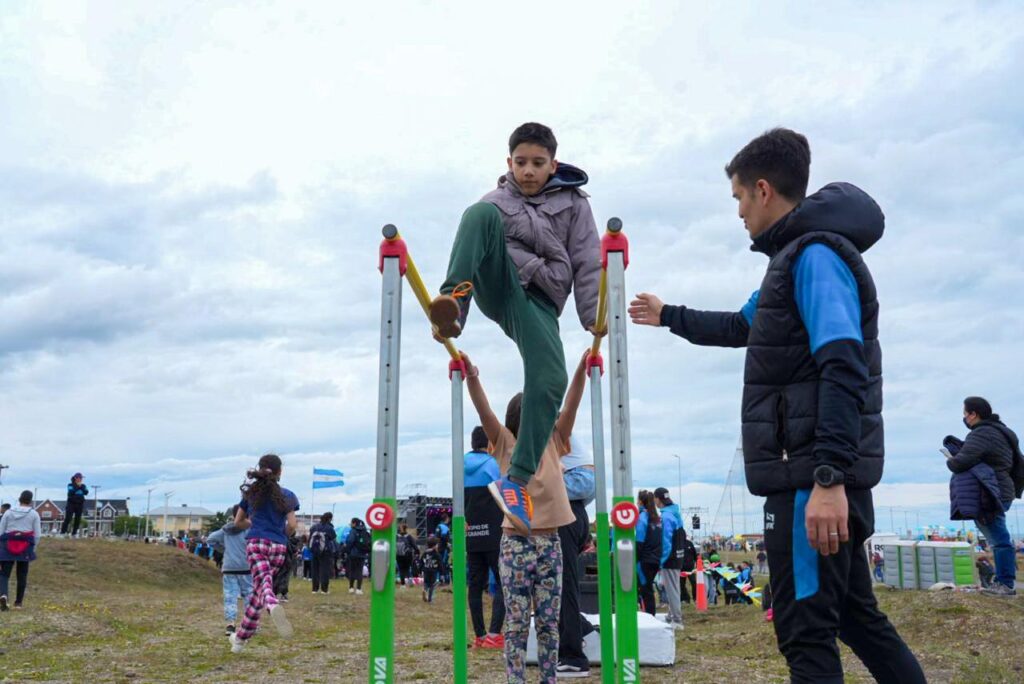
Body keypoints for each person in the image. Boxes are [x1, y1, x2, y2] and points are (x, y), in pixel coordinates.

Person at [629, 128, 925, 683]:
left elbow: (844, 364)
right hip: (813, 477)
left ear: (763, 190)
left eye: (739, 198)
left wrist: (829, 477)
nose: (739, 213)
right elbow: (740, 326)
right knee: (857, 619)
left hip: (810, 482)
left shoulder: (816, 257)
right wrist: (669, 315)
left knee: (804, 631)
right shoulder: (789, 262)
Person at [428, 122, 602, 536]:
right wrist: (455, 304)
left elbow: (587, 258)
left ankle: (517, 479)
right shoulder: (496, 202)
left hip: (541, 299)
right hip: (501, 283)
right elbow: (478, 237)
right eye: (520, 162)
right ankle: (453, 305)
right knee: (478, 214)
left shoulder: (575, 204)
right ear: (509, 163)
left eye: (537, 163)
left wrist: (593, 314)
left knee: (551, 378)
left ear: (553, 165)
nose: (528, 171)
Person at [463, 349, 583, 683]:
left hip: (550, 542)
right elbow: (483, 410)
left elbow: (571, 405)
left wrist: (580, 372)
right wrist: (472, 377)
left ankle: (548, 679)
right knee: (516, 624)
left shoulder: (554, 439)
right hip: (516, 543)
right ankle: (516, 679)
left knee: (549, 623)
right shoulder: (504, 442)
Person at [944, 396, 1021, 596]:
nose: (964, 418)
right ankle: (1003, 582)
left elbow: (960, 462)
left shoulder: (981, 433)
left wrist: (950, 459)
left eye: (965, 413)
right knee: (998, 538)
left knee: (999, 540)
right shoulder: (1002, 432)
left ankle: (1005, 584)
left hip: (990, 491)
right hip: (1003, 489)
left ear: (973, 414)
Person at [229, 454, 299, 653]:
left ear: (260, 469)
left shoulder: (251, 493)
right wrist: (281, 533)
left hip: (256, 543)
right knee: (257, 594)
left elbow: (238, 522)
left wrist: (254, 524)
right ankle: (239, 640)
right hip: (278, 547)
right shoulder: (288, 495)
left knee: (263, 586)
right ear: (280, 471)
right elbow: (292, 525)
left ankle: (272, 603)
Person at [558, 434, 597, 676]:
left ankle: (573, 655)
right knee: (562, 583)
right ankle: (580, 630)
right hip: (578, 508)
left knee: (563, 585)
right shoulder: (562, 436)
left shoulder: (545, 432)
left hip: (567, 512)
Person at [464, 425, 506, 648]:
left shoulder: (460, 464)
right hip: (494, 534)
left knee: (474, 585)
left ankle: (479, 636)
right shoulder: (494, 464)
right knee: (502, 582)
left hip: (471, 534)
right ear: (489, 443)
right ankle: (494, 634)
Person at [207, 505, 252, 636]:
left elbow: (210, 539)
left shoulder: (226, 530)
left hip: (229, 567)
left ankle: (230, 624)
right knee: (249, 595)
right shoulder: (250, 529)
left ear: (233, 515)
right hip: (246, 567)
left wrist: (224, 549)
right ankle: (249, 624)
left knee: (230, 596)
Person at [0, 490, 42, 610]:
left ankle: (3, 594)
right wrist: (33, 547)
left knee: (4, 574)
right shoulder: (34, 514)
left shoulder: (8, 513)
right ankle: (18, 603)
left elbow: (1, 531)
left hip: (8, 544)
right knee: (22, 574)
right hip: (25, 546)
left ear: (19, 499)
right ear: (30, 501)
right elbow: (37, 534)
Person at [653, 487, 685, 629]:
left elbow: (666, 542)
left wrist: (661, 560)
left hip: (670, 558)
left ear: (658, 499)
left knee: (672, 590)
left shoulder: (666, 517)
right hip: (678, 555)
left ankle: (677, 620)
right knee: (674, 587)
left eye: (655, 498)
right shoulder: (675, 513)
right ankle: (671, 615)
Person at [636, 490, 663, 617]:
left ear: (641, 502)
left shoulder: (642, 518)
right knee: (648, 589)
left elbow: (639, 541)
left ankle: (649, 616)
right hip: (656, 559)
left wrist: (635, 558)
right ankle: (650, 615)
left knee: (645, 590)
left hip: (644, 560)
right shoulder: (657, 519)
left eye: (637, 500)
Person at [309, 512, 338, 595]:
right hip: (325, 551)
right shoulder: (329, 528)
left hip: (315, 550)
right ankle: (324, 589)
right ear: (330, 519)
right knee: (324, 570)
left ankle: (314, 589)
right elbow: (333, 537)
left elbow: (310, 537)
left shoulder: (314, 527)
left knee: (315, 570)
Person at [345, 517, 371, 594]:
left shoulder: (353, 531)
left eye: (351, 523)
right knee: (359, 571)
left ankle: (351, 587)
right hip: (362, 554)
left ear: (354, 523)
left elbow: (350, 541)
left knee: (352, 570)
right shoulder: (364, 531)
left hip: (353, 553)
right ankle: (359, 589)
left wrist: (348, 550)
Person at [61, 473, 88, 537]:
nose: (81, 479)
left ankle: (74, 533)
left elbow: (86, 492)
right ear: (76, 478)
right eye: (79, 478)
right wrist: (78, 486)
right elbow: (71, 492)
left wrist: (81, 487)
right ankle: (63, 532)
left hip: (80, 504)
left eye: (81, 478)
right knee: (68, 518)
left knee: (77, 519)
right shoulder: (70, 485)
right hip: (71, 503)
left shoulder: (83, 485)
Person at [396, 523, 419, 589]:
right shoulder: (409, 537)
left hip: (399, 555)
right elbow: (415, 546)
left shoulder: (396, 536)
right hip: (408, 555)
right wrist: (417, 553)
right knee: (408, 568)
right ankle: (410, 582)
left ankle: (402, 584)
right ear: (406, 529)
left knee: (401, 569)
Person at [421, 536, 442, 603]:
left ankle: (425, 590)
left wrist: (420, 569)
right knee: (432, 585)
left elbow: (421, 561)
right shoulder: (437, 554)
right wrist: (442, 572)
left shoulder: (425, 553)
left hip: (426, 570)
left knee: (426, 583)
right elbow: (440, 564)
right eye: (437, 544)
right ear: (434, 546)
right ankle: (430, 599)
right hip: (433, 571)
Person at [435, 513, 452, 585]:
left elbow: (437, 538)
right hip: (444, 548)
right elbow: (444, 537)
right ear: (446, 519)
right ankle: (445, 580)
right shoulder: (445, 527)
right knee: (444, 564)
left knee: (439, 563)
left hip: (439, 548)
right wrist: (448, 544)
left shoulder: (438, 526)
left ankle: (439, 579)